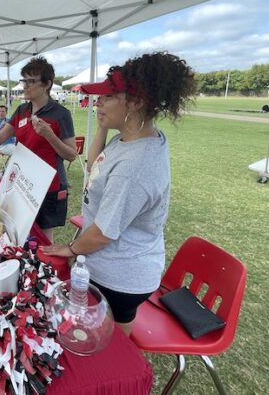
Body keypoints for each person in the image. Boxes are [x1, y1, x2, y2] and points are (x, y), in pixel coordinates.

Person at [41, 52, 197, 336]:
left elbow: (103, 233)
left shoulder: (135, 166)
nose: (98, 102)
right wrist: (102, 124)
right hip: (110, 264)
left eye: (108, 97)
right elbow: (94, 168)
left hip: (120, 278)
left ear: (136, 102)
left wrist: (71, 249)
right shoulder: (129, 138)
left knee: (109, 350)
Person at [0, 56, 76, 241]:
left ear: (47, 84)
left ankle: (42, 269)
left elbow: (71, 154)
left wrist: (50, 135)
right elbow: (2, 137)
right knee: (16, 231)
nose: (25, 85)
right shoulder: (22, 110)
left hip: (48, 186)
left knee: (43, 238)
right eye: (24, 80)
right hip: (22, 183)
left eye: (31, 81)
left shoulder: (61, 114)